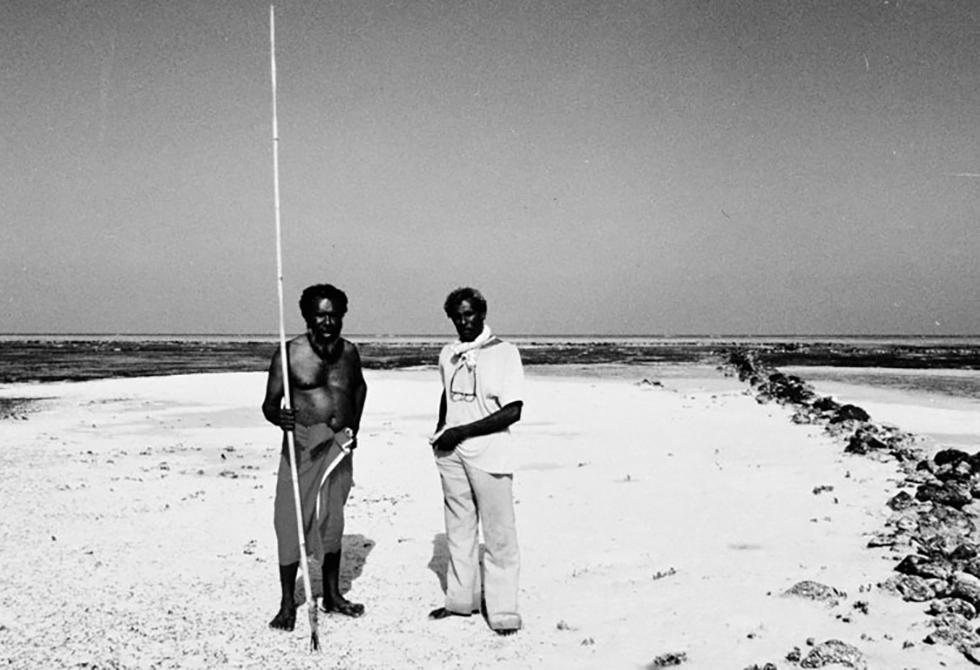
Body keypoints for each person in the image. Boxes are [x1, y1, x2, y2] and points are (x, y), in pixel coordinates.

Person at [262, 283, 368, 630]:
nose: (328, 322)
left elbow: (359, 388)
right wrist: (280, 417)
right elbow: (269, 404)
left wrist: (355, 428)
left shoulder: (350, 353)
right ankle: (286, 604)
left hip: (339, 445)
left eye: (335, 315)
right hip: (304, 445)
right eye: (321, 315)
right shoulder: (288, 354)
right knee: (289, 520)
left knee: (332, 520)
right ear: (308, 316)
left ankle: (333, 596)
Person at [428, 287, 524, 635]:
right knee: (459, 529)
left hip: (490, 453)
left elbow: (513, 411)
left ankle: (502, 611)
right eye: (457, 315)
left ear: (482, 313)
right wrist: (441, 431)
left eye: (469, 314)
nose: (463, 321)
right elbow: (447, 393)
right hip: (452, 454)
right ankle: (460, 601)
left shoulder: (506, 353)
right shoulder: (448, 354)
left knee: (499, 535)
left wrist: (463, 431)